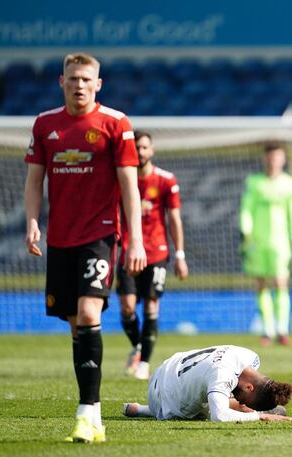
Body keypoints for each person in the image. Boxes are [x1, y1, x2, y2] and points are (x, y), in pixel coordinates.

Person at [24, 53, 146, 443]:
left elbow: (129, 185)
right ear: (61, 81)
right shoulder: (45, 125)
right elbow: (33, 181)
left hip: (100, 234)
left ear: (98, 84)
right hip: (60, 238)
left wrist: (135, 239)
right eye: (73, 78)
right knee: (75, 324)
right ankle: (90, 412)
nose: (79, 84)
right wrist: (32, 222)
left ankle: (87, 413)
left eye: (86, 79)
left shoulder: (116, 123)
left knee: (89, 310)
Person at [118, 131, 189, 381]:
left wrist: (179, 255)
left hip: (157, 252)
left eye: (145, 147)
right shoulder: (122, 180)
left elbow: (175, 220)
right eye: (136, 147)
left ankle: (144, 363)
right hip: (127, 251)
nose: (140, 152)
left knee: (150, 305)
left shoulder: (166, 180)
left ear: (152, 151)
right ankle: (138, 345)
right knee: (127, 307)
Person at [121, 345, 292, 423]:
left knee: (219, 395)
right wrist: (258, 416)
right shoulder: (222, 375)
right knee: (222, 407)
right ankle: (151, 410)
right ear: (250, 387)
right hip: (163, 398)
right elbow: (219, 416)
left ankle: (142, 409)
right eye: (245, 400)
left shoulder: (251, 357)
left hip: (167, 368)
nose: (241, 401)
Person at [239, 142, 292, 346]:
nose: (273, 161)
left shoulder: (290, 184)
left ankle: (282, 329)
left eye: (277, 157)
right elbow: (246, 210)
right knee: (260, 284)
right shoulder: (254, 182)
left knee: (280, 282)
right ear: (265, 158)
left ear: (283, 159)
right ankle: (267, 330)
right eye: (270, 157)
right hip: (257, 242)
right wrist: (246, 235)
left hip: (280, 242)